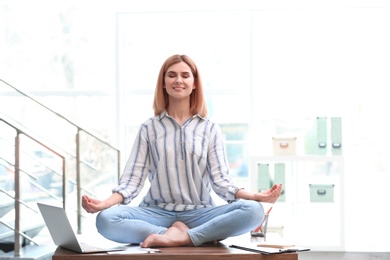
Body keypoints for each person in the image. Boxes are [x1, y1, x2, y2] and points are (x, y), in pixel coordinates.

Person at [82, 54, 282, 248]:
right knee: (106, 219)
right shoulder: (148, 129)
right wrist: (104, 204)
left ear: (195, 83)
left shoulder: (210, 129)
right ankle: (186, 236)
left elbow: (222, 183)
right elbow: (131, 182)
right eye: (172, 75)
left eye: (185, 75)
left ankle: (183, 237)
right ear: (163, 82)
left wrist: (256, 196)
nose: (178, 80)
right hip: (156, 213)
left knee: (253, 211)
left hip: (201, 214)